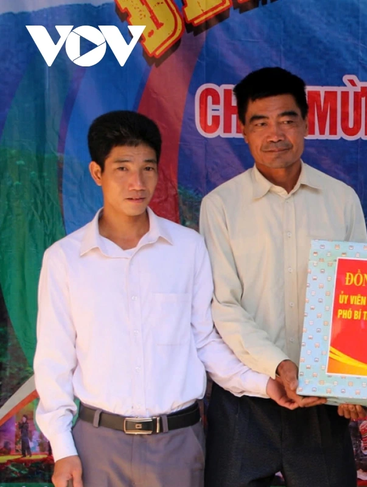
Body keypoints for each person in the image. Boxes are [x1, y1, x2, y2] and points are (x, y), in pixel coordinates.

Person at [33, 111, 293, 487]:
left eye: (148, 168)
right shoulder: (64, 258)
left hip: (177, 443)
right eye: (122, 168)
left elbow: (205, 342)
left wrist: (265, 383)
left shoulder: (187, 248)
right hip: (97, 444)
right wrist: (62, 449)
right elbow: (54, 360)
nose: (137, 183)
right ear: (97, 173)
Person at [200, 67, 367, 487]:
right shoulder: (220, 206)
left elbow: (360, 301)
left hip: (321, 400)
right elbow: (224, 305)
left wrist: (353, 384)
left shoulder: (342, 201)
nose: (275, 134)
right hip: (246, 397)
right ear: (243, 131)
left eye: (287, 120)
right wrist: (279, 365)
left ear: (306, 124)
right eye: (260, 123)